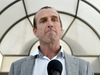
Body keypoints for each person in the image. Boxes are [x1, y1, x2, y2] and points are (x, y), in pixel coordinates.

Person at [8, 6, 94, 75]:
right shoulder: (16, 68)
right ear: (35, 31)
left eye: (54, 19)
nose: (50, 24)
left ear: (61, 28)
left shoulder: (84, 67)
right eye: (43, 21)